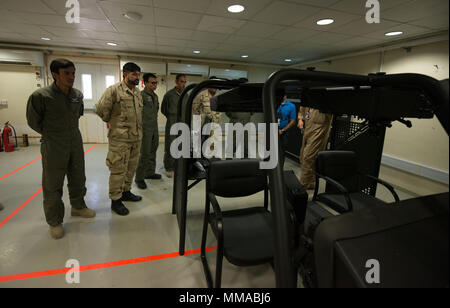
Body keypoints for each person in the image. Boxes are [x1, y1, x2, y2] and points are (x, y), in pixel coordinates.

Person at [26, 58, 95, 239]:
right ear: (54, 75)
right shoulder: (41, 96)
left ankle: (78, 206)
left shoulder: (77, 95)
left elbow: (77, 115)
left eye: (73, 73)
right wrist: (52, 134)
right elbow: (34, 121)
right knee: (53, 183)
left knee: (78, 175)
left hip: (75, 140)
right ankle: (55, 221)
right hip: (54, 143)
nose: (71, 77)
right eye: (67, 73)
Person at [96, 62, 143, 216]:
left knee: (131, 168)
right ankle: (116, 200)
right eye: (134, 74)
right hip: (120, 140)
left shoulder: (137, 93)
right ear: (125, 74)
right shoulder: (114, 90)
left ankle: (126, 192)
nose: (137, 77)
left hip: (135, 138)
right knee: (118, 171)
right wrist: (115, 124)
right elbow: (102, 110)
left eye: (138, 74)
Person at [135, 73, 161, 190]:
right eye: (152, 83)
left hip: (154, 128)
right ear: (145, 83)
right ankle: (139, 178)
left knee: (153, 151)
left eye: (156, 83)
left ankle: (150, 172)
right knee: (144, 153)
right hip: (145, 129)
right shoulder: (140, 96)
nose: (155, 85)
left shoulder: (155, 97)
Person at [298, 107, 333, 190]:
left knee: (308, 156)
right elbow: (302, 109)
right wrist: (300, 119)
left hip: (319, 129)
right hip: (308, 128)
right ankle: (309, 182)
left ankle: (304, 183)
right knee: (303, 156)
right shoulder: (310, 99)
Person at [161, 74, 186, 178]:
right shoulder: (169, 95)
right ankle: (169, 167)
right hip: (172, 122)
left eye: (185, 82)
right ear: (176, 82)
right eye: (181, 81)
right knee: (170, 144)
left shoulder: (186, 95)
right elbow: (163, 109)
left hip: (183, 123)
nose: (183, 84)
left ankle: (178, 166)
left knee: (180, 145)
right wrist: (172, 117)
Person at [276, 95, 296, 168]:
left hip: (283, 133)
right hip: (272, 131)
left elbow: (293, 121)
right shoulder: (274, 104)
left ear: (285, 95)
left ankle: (279, 171)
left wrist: (283, 130)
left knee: (281, 153)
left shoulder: (291, 106)